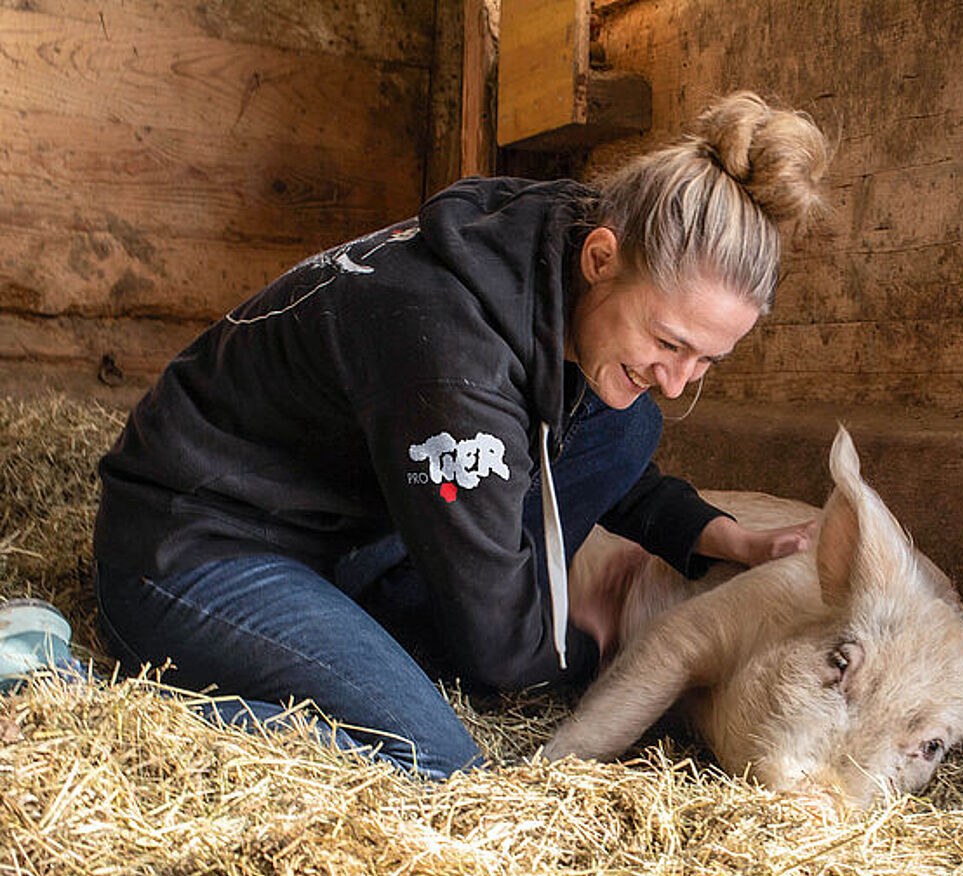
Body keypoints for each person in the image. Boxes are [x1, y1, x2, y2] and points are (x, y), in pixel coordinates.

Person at [92, 91, 830, 779]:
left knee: (627, 415)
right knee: (438, 764)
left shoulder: (561, 239)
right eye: (670, 343)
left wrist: (717, 535)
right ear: (602, 258)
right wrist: (587, 645)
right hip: (197, 546)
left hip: (336, 526)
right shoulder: (453, 360)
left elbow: (598, 444)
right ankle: (68, 688)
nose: (678, 380)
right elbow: (502, 653)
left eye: (706, 359)